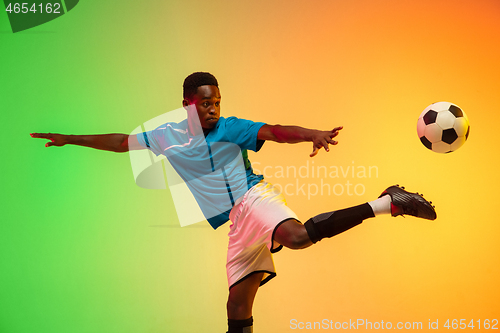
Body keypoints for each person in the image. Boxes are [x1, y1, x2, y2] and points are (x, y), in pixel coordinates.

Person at [31, 72, 437, 333]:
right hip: (236, 224)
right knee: (238, 305)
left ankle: (387, 202)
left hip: (253, 198)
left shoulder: (230, 128)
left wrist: (311, 132)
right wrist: (71, 139)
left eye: (217, 102)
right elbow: (122, 143)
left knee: (296, 237)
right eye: (206, 102)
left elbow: (275, 131)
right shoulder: (168, 135)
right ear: (188, 102)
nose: (213, 109)